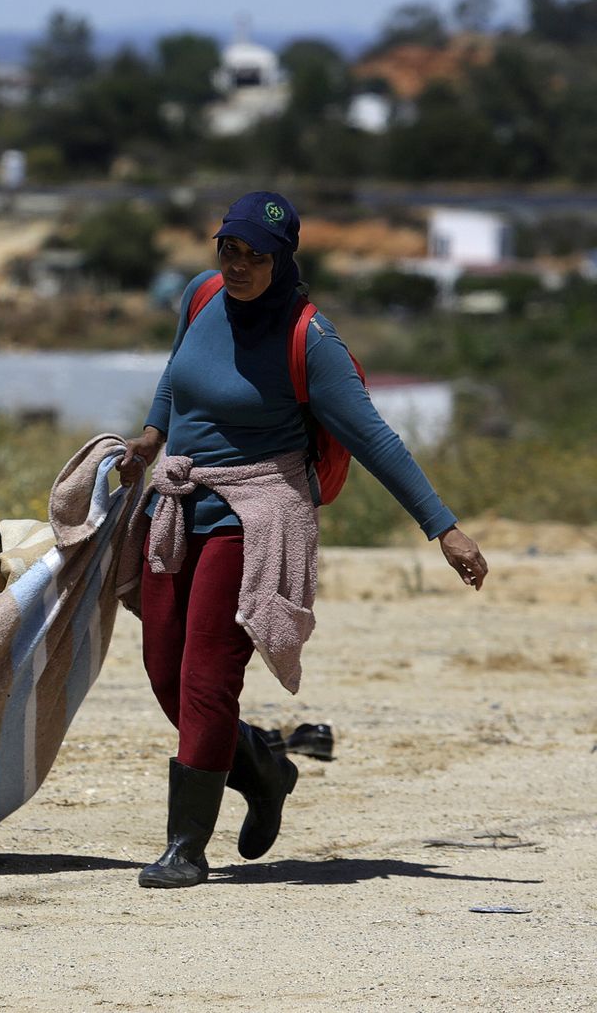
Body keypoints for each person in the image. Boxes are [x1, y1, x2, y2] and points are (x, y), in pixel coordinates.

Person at [117, 191, 487, 889]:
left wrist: (444, 526)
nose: (240, 265)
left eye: (256, 255)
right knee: (165, 670)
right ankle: (261, 765)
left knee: (206, 675)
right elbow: (175, 376)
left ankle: (186, 846)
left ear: (284, 259)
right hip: (178, 499)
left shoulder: (310, 340)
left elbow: (375, 438)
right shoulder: (200, 297)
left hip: (254, 514)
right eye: (231, 249)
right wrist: (149, 436)